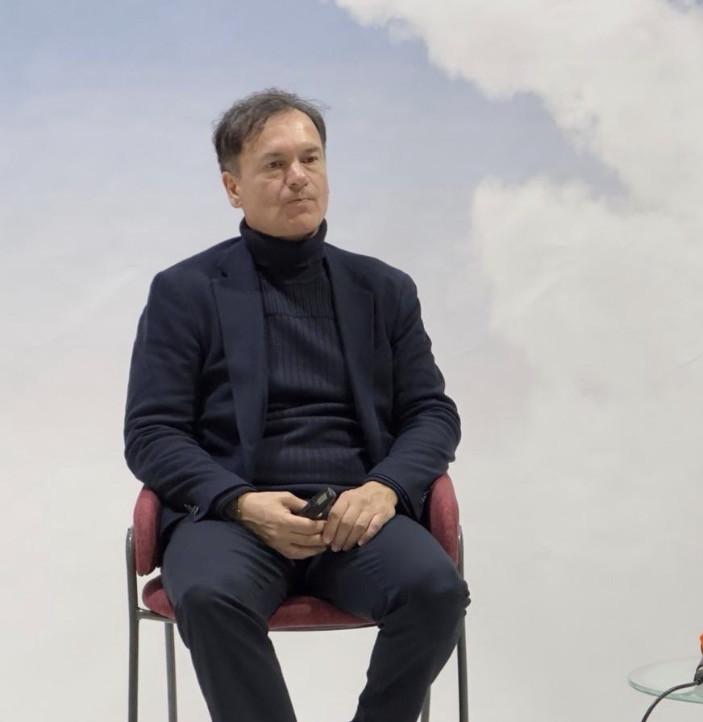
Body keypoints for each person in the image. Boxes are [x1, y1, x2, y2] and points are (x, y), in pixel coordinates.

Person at [124, 88, 467, 722]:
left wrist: (384, 489)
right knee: (209, 595)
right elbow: (152, 432)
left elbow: (432, 413)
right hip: (231, 517)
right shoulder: (184, 291)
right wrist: (239, 501)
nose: (299, 177)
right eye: (275, 164)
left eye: (311, 158)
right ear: (233, 187)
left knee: (435, 589)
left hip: (355, 514)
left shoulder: (384, 288)